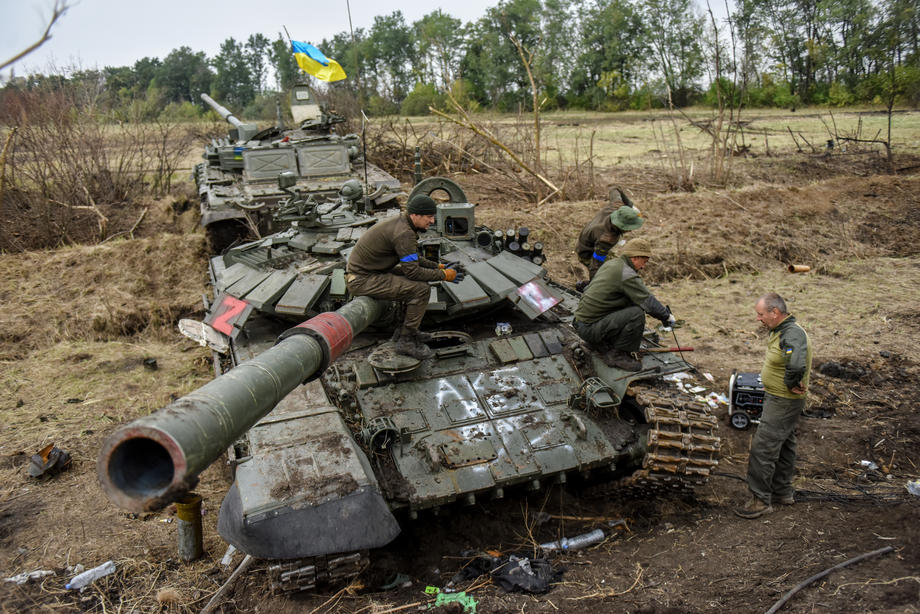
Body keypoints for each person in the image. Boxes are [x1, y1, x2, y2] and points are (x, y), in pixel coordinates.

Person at [346, 194, 462, 360]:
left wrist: (437, 266)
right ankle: (406, 341)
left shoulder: (403, 224)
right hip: (362, 279)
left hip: (371, 272)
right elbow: (413, 272)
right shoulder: (404, 234)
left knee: (413, 283)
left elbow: (413, 258)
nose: (432, 221)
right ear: (415, 215)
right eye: (429, 217)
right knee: (420, 289)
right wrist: (444, 275)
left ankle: (405, 331)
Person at [735, 292, 812, 519]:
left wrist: (790, 383)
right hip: (779, 398)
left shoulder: (792, 334)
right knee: (785, 443)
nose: (758, 319)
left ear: (775, 312)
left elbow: (796, 363)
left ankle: (760, 500)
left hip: (783, 400)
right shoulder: (782, 330)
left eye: (761, 314)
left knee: (763, 447)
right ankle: (782, 491)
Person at [572, 238, 676, 371]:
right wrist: (666, 317)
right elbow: (648, 302)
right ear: (635, 258)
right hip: (589, 329)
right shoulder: (626, 274)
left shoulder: (612, 264)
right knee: (636, 313)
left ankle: (602, 342)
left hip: (581, 323)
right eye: (644, 262)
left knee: (629, 304)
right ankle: (617, 356)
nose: (643, 267)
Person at [575, 187, 644, 286]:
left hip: (590, 239)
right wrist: (595, 286)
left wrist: (630, 205)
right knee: (611, 275)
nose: (631, 230)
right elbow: (596, 264)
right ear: (622, 226)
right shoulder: (606, 239)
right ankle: (585, 286)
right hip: (586, 253)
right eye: (630, 227)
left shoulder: (617, 205)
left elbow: (615, 189)